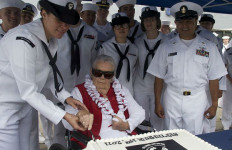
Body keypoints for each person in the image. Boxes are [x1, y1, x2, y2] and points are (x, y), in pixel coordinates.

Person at [0, 0, 93, 149]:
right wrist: (65, 116)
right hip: (4, 111)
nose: (64, 26)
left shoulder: (47, 39)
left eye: (67, 22)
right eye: (59, 20)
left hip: (24, 108)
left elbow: (48, 74)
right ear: (44, 14)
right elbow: (29, 92)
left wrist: (67, 98)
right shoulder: (23, 40)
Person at [147, 1, 227, 135]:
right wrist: (157, 102)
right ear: (176, 23)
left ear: (196, 22)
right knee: (172, 135)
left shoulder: (209, 47)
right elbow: (158, 77)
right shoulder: (166, 46)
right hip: (172, 97)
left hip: (197, 98)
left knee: (195, 136)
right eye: (180, 22)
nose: (185, 25)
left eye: (189, 21)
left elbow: (214, 78)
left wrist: (214, 104)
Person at [39, 1, 98, 148]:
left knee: (81, 127)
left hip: (81, 87)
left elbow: (94, 62)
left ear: (81, 7)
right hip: (58, 86)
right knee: (57, 127)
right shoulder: (56, 30)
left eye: (78, 4)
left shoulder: (92, 32)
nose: (76, 8)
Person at [63, 55, 145, 148]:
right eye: (98, 73)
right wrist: (80, 114)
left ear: (112, 76)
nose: (102, 78)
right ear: (91, 72)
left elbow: (139, 112)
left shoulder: (121, 90)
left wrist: (127, 125)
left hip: (125, 139)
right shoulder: (79, 91)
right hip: (97, 142)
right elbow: (67, 121)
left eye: (107, 75)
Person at [134, 6, 166, 131]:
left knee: (159, 120)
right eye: (146, 20)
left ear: (157, 21)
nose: (149, 23)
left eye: (152, 19)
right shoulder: (137, 42)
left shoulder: (167, 41)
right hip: (141, 86)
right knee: (142, 120)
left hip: (161, 88)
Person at [98, 12, 138, 95]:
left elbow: (134, 72)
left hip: (128, 92)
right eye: (117, 26)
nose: (121, 29)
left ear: (129, 28)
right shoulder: (105, 48)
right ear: (113, 29)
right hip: (108, 91)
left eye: (124, 26)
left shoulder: (134, 49)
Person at [222, 46, 232, 130]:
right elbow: (223, 67)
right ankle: (226, 125)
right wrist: (230, 79)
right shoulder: (228, 51)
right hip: (229, 82)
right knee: (227, 105)